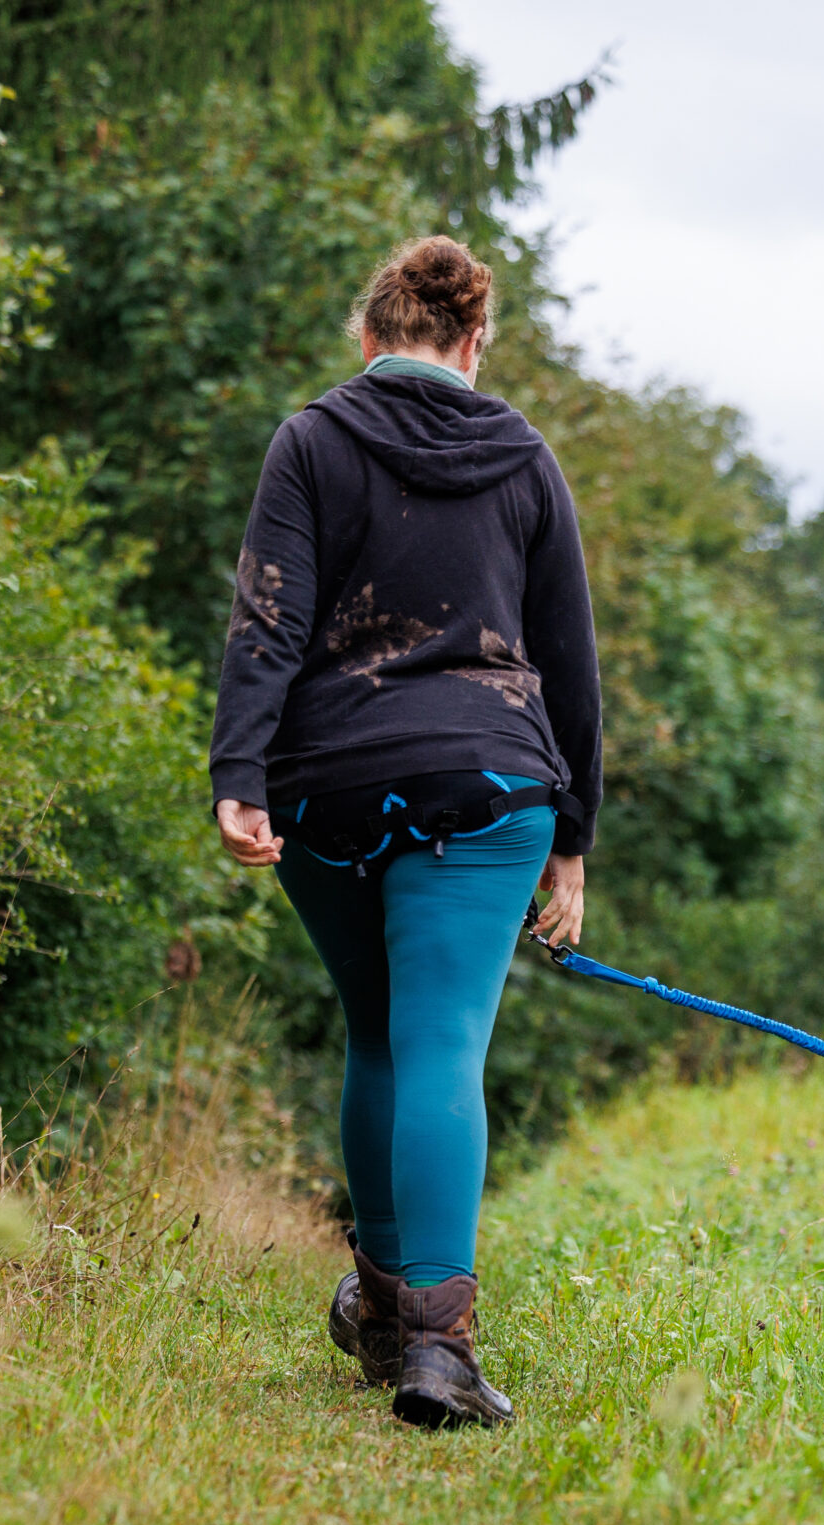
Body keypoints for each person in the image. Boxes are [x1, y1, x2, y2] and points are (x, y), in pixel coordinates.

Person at [209, 235, 601, 1429]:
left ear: (370, 339)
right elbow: (566, 655)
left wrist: (241, 772)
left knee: (375, 1035)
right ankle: (436, 1347)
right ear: (472, 344)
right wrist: (572, 835)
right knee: (440, 1043)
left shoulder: (312, 440)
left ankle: (385, 1316)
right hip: (487, 784)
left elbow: (266, 618)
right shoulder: (523, 455)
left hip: (328, 777)